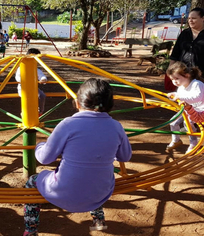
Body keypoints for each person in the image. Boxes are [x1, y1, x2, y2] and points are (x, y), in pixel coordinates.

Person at [22, 78, 132, 235]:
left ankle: (30, 229)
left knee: (32, 181)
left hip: (62, 193)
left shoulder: (68, 124)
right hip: (100, 192)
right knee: (94, 176)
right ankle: (98, 220)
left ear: (77, 103)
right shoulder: (116, 126)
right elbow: (125, 156)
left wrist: (39, 147)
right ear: (110, 105)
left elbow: (45, 158)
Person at [166, 61, 204, 154]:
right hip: (187, 109)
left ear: (186, 75)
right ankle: (176, 140)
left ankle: (193, 143)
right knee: (173, 122)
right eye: (172, 79)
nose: (174, 81)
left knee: (188, 124)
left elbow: (197, 97)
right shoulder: (181, 87)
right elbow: (180, 95)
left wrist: (179, 97)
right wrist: (174, 94)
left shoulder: (197, 84)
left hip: (200, 110)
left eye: (176, 78)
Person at [167, 7, 204, 91]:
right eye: (189, 18)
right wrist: (170, 69)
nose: (190, 20)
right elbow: (175, 53)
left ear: (202, 18)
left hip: (201, 75)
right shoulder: (184, 33)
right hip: (183, 74)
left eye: (194, 18)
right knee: (185, 99)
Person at [15, 48, 47, 115]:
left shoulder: (36, 69)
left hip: (33, 88)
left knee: (42, 95)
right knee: (27, 98)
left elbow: (42, 76)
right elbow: (18, 77)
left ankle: (40, 111)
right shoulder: (20, 68)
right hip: (23, 88)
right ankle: (24, 113)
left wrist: (43, 79)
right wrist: (24, 81)